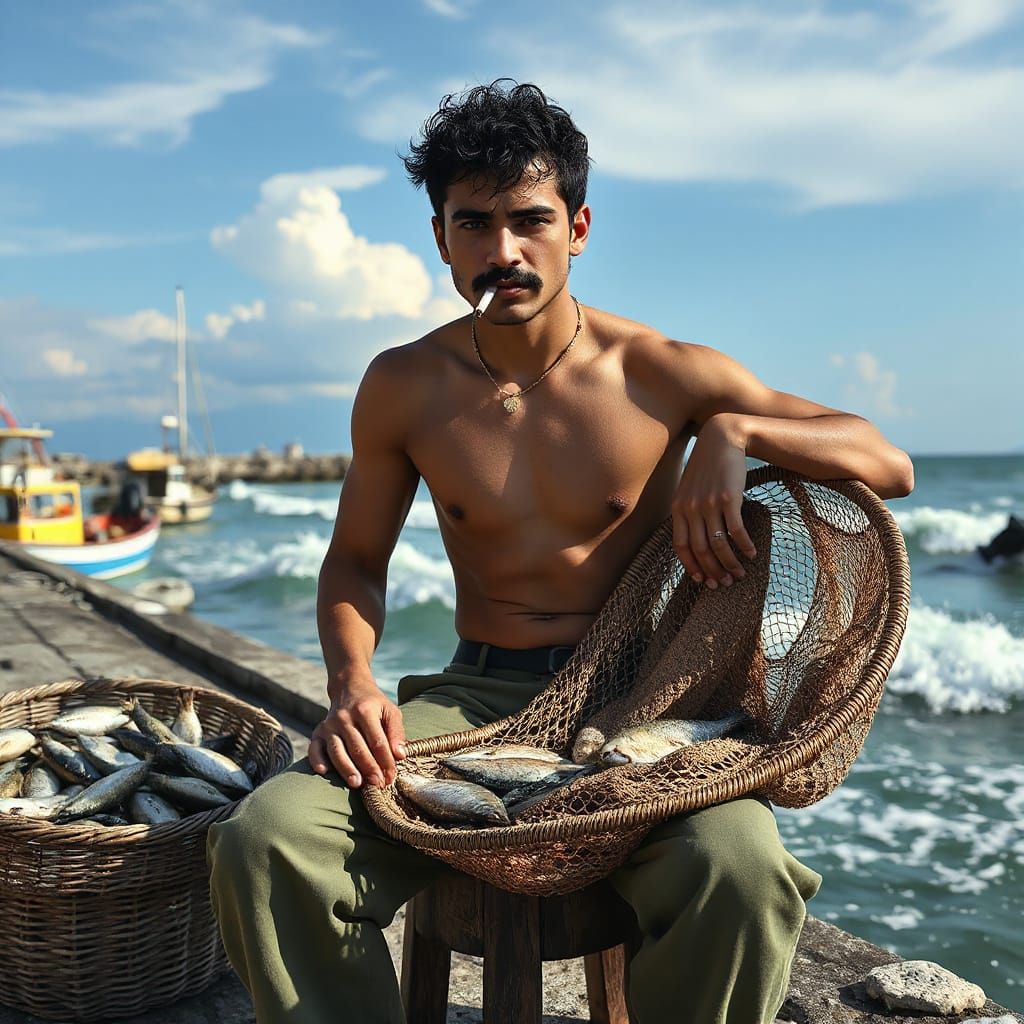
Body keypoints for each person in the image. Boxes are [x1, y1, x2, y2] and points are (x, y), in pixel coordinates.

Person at [208, 80, 914, 1024]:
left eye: (528, 220)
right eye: (473, 224)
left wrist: (736, 432)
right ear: (440, 237)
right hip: (472, 698)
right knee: (267, 837)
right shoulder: (404, 385)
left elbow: (887, 460)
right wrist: (354, 685)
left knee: (740, 867)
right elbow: (355, 562)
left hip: (646, 702)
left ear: (577, 227)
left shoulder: (659, 372)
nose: (502, 251)